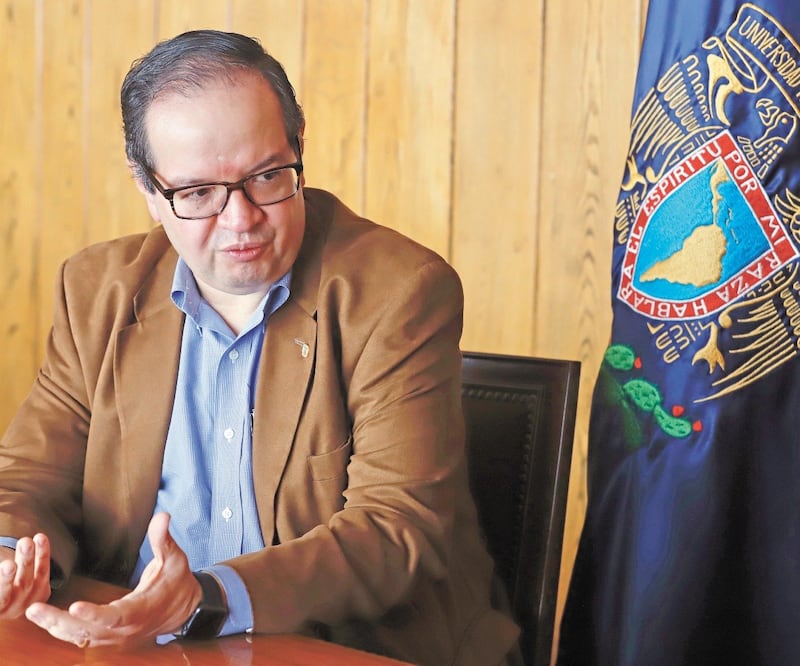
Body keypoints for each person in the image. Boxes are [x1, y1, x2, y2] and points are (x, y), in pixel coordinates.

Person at [0, 29, 519, 665]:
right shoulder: (95, 292)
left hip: (342, 647)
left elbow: (394, 528)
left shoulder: (398, 294)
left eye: (267, 175)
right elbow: (32, 475)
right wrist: (10, 557)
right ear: (147, 189)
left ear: (299, 146)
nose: (242, 218)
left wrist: (204, 598)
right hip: (136, 645)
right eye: (197, 194)